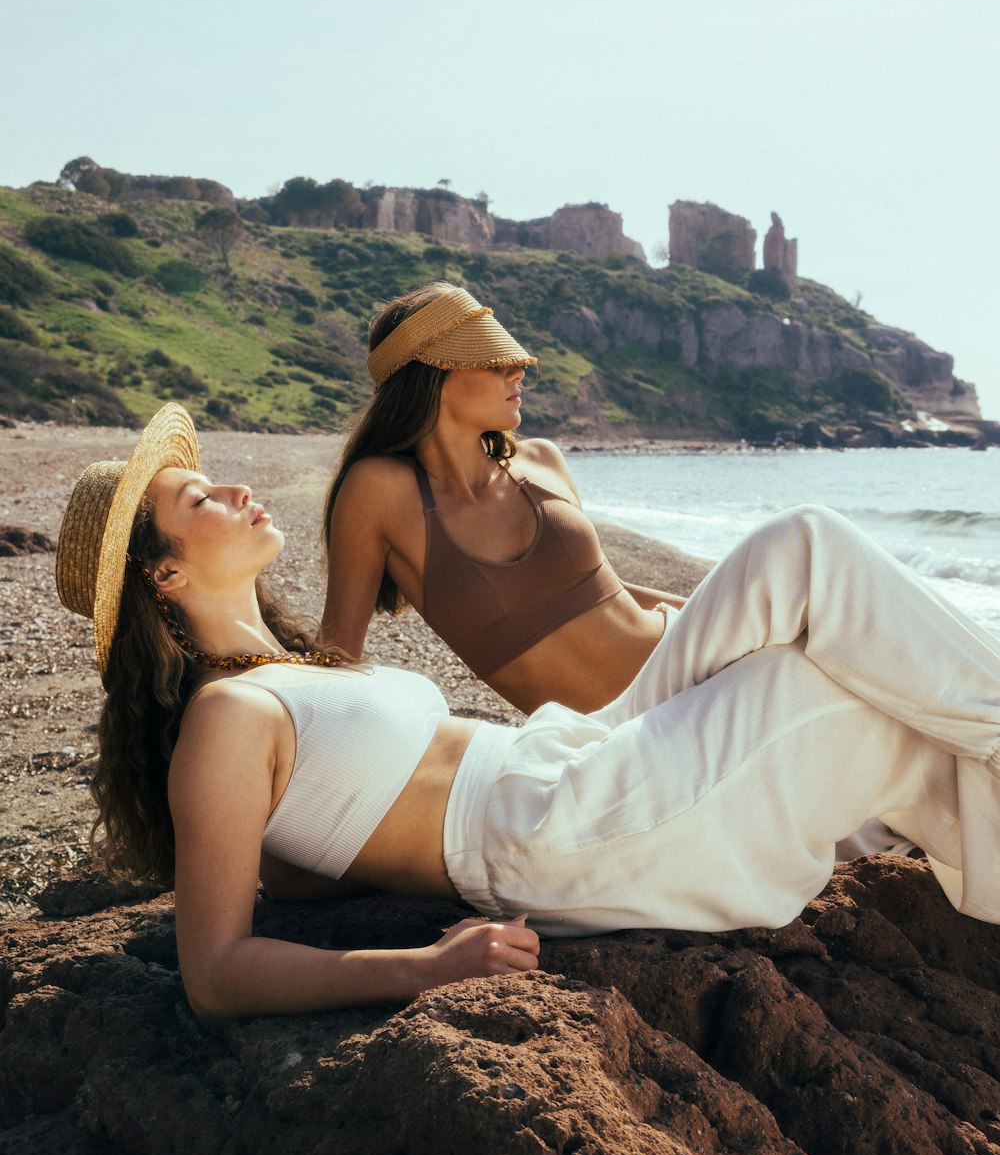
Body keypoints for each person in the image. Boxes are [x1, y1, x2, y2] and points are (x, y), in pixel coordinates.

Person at [57, 404, 1000, 1019]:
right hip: (554, 831)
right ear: (164, 572)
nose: (236, 489)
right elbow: (215, 970)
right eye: (200, 498)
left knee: (802, 549)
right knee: (833, 690)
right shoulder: (226, 719)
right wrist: (423, 966)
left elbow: (305, 872)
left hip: (578, 752)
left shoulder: (287, 674)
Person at [321, 282, 687, 715]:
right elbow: (338, 654)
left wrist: (713, 604)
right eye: (494, 361)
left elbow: (608, 593)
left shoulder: (542, 461)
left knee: (787, 548)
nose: (517, 372)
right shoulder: (379, 489)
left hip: (691, 660)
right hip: (618, 740)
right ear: (433, 373)